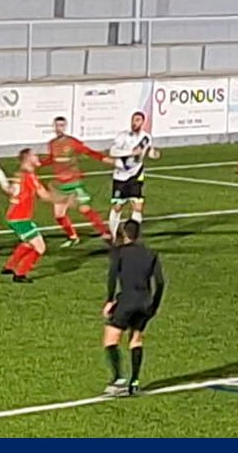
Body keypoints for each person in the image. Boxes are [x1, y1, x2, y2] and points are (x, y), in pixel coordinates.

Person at [101, 219, 165, 397]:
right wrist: (154, 305)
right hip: (145, 302)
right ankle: (134, 382)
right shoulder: (151, 254)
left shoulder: (119, 253)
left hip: (127, 301)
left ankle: (118, 379)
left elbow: (112, 277)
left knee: (111, 339)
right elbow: (160, 282)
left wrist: (109, 300)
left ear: (124, 234)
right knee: (136, 339)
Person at [39, 116, 112, 246]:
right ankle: (73, 237)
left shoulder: (72, 142)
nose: (59, 128)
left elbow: (89, 152)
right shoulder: (52, 144)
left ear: (65, 127)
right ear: (54, 127)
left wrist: (104, 159)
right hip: (60, 185)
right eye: (57, 125)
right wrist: (39, 163)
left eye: (62, 125)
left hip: (74, 183)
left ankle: (105, 233)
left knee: (85, 209)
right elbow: (52, 159)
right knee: (59, 215)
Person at [0, 148, 63, 283]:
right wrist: (62, 199)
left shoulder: (20, 174)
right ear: (28, 158)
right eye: (34, 155)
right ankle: (20, 274)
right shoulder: (29, 176)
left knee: (28, 243)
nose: (37, 157)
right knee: (40, 247)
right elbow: (44, 195)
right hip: (20, 218)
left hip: (15, 216)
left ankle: (9, 266)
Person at [108, 112, 156, 238]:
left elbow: (148, 149)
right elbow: (113, 151)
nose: (134, 123)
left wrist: (152, 153)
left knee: (137, 207)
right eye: (133, 120)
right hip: (121, 175)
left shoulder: (146, 138)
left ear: (143, 122)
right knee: (117, 207)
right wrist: (130, 152)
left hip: (136, 175)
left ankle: (133, 236)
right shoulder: (123, 136)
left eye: (138, 120)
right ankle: (113, 236)